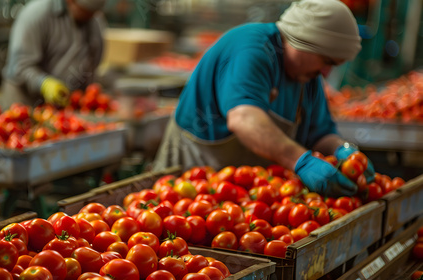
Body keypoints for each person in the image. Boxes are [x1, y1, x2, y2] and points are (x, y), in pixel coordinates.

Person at [153, 0, 375, 197]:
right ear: (301, 41)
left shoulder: (307, 78)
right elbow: (244, 118)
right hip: (190, 189)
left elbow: (320, 133)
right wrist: (301, 161)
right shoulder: (251, 48)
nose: (326, 73)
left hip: (245, 200)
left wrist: (344, 151)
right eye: (326, 60)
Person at [1, 0, 106, 108]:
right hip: (24, 106)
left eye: (93, 13)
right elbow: (19, 66)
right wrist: (43, 83)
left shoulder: (94, 21)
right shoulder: (35, 15)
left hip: (62, 108)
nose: (89, 16)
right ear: (70, 1)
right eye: (84, 11)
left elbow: (93, 61)